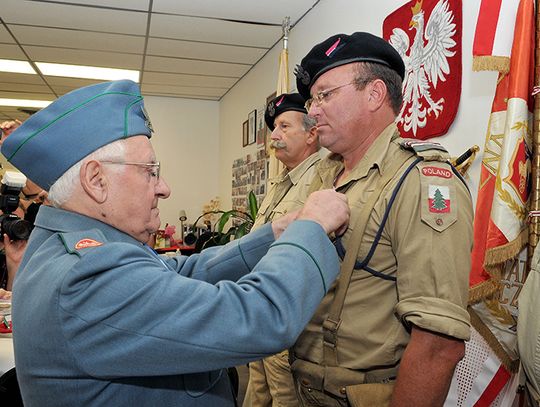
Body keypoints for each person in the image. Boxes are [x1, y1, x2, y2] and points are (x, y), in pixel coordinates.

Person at [1, 79, 350, 407]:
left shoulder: (73, 249)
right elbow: (257, 318)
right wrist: (312, 227)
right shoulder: (87, 275)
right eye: (149, 170)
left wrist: (273, 235)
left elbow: (180, 271)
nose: (163, 186)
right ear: (96, 180)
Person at [290, 32, 473, 407]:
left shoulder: (420, 180)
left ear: (374, 94)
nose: (313, 110)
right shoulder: (321, 175)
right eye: (313, 98)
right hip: (304, 387)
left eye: (326, 94)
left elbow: (437, 343)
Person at [244, 92, 320, 407]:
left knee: (285, 397)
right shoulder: (280, 183)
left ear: (312, 133)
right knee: (256, 391)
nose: (274, 136)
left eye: (284, 126)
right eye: (274, 127)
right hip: (262, 312)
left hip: (291, 320)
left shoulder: (323, 179)